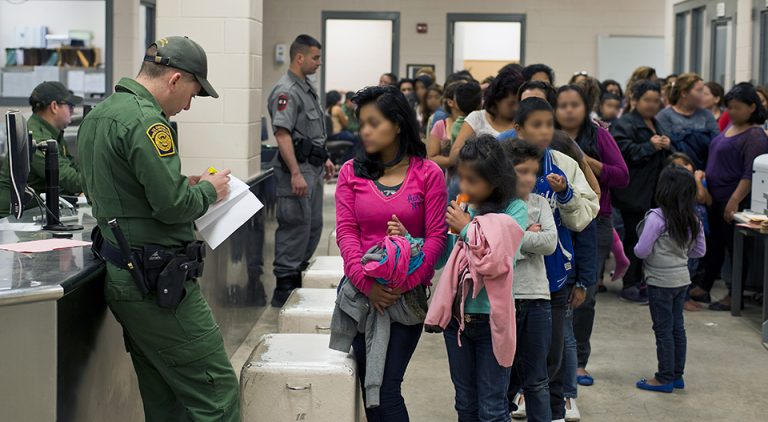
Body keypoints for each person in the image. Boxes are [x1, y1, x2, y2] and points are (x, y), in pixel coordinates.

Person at [77, 36, 240, 420]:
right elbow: (172, 206)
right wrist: (205, 190)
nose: (186, 106)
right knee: (216, 393)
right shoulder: (149, 120)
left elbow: (126, 190)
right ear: (175, 79)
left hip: (128, 276)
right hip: (159, 283)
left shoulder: (99, 116)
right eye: (191, 94)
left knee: (166, 396)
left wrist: (186, 180)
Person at [335, 85, 447, 420]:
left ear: (398, 124)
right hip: (361, 297)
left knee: (386, 390)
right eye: (362, 123)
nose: (365, 131)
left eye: (374, 122)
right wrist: (368, 286)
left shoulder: (428, 174)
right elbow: (347, 234)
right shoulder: (351, 173)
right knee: (371, 392)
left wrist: (402, 285)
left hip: (406, 300)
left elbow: (436, 239)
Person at [423, 135, 526, 422]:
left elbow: (499, 262)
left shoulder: (514, 209)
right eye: (462, 178)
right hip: (457, 322)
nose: (464, 187)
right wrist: (414, 240)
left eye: (473, 180)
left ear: (494, 180)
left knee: (493, 408)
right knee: (465, 405)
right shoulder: (463, 206)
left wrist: (467, 228)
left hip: (492, 320)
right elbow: (443, 258)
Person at [514, 98, 600, 422]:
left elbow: (583, 219)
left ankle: (554, 412)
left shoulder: (564, 164)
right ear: (518, 129)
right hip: (509, 281)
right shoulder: (501, 162)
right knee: (508, 360)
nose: (545, 131)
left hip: (554, 279)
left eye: (549, 124)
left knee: (550, 359)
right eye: (536, 125)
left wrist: (565, 195)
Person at [555, 84, 629, 390]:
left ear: (585, 108)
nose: (569, 110)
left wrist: (586, 163)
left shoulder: (598, 135)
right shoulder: (547, 134)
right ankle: (553, 359)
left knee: (585, 294)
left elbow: (622, 175)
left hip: (594, 220)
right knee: (555, 293)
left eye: (575, 104)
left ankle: (580, 361)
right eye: (562, 105)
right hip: (554, 220)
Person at [268, 34, 335, 307]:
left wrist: (326, 158)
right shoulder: (287, 91)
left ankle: (297, 277)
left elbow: (312, 132)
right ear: (300, 57)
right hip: (296, 169)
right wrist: (295, 172)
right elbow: (282, 134)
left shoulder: (306, 87)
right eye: (315, 57)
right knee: (295, 226)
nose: (319, 62)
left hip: (313, 167)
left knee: (313, 226)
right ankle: (284, 286)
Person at [692, 83, 768, 311]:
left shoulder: (754, 135)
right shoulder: (731, 127)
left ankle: (734, 295)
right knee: (714, 245)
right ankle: (704, 286)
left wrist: (734, 201)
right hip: (714, 196)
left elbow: (749, 173)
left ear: (751, 107)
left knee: (734, 248)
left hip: (733, 199)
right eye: (729, 107)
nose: (731, 112)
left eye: (736, 108)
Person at [634, 165, 706, 393]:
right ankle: (677, 376)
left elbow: (642, 250)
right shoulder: (693, 218)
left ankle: (663, 378)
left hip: (659, 282)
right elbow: (699, 251)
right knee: (678, 328)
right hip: (682, 279)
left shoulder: (657, 218)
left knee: (663, 330)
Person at [504, 140, 557, 422]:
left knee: (536, 380)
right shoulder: (495, 205)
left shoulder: (540, 204)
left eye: (533, 172)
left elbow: (549, 243)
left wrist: (514, 239)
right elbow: (495, 249)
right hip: (502, 300)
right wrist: (526, 236)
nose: (529, 178)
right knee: (502, 380)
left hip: (537, 298)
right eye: (521, 171)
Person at [611, 80, 672, 304]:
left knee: (650, 238)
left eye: (656, 100)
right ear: (635, 101)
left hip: (654, 192)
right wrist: (650, 146)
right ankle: (630, 283)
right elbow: (622, 153)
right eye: (647, 99)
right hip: (633, 193)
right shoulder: (624, 123)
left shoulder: (657, 123)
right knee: (633, 236)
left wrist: (667, 145)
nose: (652, 104)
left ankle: (643, 281)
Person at [0, 81, 83, 217]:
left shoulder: (52, 132)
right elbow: (69, 179)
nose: (72, 112)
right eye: (70, 106)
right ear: (54, 106)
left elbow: (71, 167)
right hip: (13, 217)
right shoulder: (37, 138)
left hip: (34, 210)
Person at [448, 68, 525, 166]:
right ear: (497, 99)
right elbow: (454, 156)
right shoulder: (477, 119)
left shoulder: (523, 122)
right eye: (511, 103)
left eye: (519, 102)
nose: (516, 107)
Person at [667, 152, 712, 312]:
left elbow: (707, 199)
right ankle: (683, 299)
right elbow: (699, 197)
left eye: (687, 164)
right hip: (687, 233)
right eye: (681, 166)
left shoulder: (697, 181)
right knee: (688, 266)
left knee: (695, 266)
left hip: (701, 230)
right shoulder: (684, 185)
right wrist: (697, 179)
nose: (686, 168)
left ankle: (686, 296)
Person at [656, 73, 719, 171]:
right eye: (699, 90)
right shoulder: (665, 116)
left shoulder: (706, 115)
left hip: (704, 171)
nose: (703, 95)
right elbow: (665, 148)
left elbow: (716, 143)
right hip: (675, 172)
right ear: (684, 93)